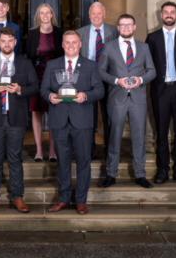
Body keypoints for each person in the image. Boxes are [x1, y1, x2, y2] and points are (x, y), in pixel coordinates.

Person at [0, 27, 39, 213]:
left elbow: (35, 87)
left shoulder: (25, 63)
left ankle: (18, 196)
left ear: (15, 42)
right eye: (3, 41)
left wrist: (19, 89)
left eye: (10, 40)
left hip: (16, 118)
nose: (7, 44)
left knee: (15, 158)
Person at [41, 31, 104, 215]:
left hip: (82, 120)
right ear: (62, 44)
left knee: (83, 161)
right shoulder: (52, 65)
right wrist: (50, 96)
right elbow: (43, 89)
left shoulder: (90, 65)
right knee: (62, 161)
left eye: (74, 42)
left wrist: (86, 95)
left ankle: (81, 201)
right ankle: (63, 198)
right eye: (67, 42)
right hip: (59, 120)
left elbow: (99, 90)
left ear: (80, 44)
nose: (70, 45)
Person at [98, 14, 156, 189]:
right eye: (122, 25)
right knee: (114, 137)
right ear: (118, 28)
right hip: (116, 98)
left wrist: (141, 80)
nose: (126, 28)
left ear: (134, 27)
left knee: (138, 138)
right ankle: (110, 174)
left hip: (138, 99)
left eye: (129, 24)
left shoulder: (144, 47)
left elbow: (152, 71)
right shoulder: (108, 47)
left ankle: (140, 175)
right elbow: (100, 71)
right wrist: (117, 81)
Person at [146, 1, 176, 184]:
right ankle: (162, 169)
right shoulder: (152, 38)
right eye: (165, 12)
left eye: (172, 12)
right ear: (161, 15)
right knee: (161, 132)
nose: (169, 15)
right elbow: (148, 64)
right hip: (160, 90)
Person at [76, 2, 119, 158]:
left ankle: (109, 150)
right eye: (93, 13)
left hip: (108, 79)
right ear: (89, 15)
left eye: (99, 13)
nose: (96, 16)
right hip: (87, 81)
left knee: (109, 116)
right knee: (88, 116)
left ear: (104, 15)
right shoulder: (79, 33)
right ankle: (89, 149)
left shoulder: (114, 31)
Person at [26, 3, 64, 162]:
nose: (45, 15)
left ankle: (52, 151)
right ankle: (39, 151)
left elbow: (63, 56)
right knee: (36, 112)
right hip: (36, 77)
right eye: (42, 13)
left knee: (53, 112)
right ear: (38, 16)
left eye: (48, 12)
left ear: (52, 15)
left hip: (54, 78)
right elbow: (28, 56)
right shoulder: (32, 33)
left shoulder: (59, 33)